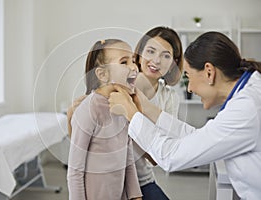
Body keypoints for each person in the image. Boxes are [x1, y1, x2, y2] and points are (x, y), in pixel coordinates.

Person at [108, 31, 261, 200]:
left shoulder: (245, 110)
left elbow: (171, 156)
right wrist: (146, 108)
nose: (189, 89)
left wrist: (131, 113)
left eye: (188, 76)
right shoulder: (249, 93)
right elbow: (198, 137)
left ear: (209, 73)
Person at [67, 39, 142, 200]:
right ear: (102, 74)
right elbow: (75, 171)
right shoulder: (89, 110)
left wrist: (136, 196)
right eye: (124, 62)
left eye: (133, 61)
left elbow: (128, 159)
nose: (134, 67)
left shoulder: (123, 105)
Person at [132, 26, 183, 200]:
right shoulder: (122, 84)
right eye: (151, 51)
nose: (156, 60)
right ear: (139, 54)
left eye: (166, 56)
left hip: (143, 180)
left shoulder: (169, 98)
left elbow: (162, 154)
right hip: (110, 178)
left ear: (173, 64)